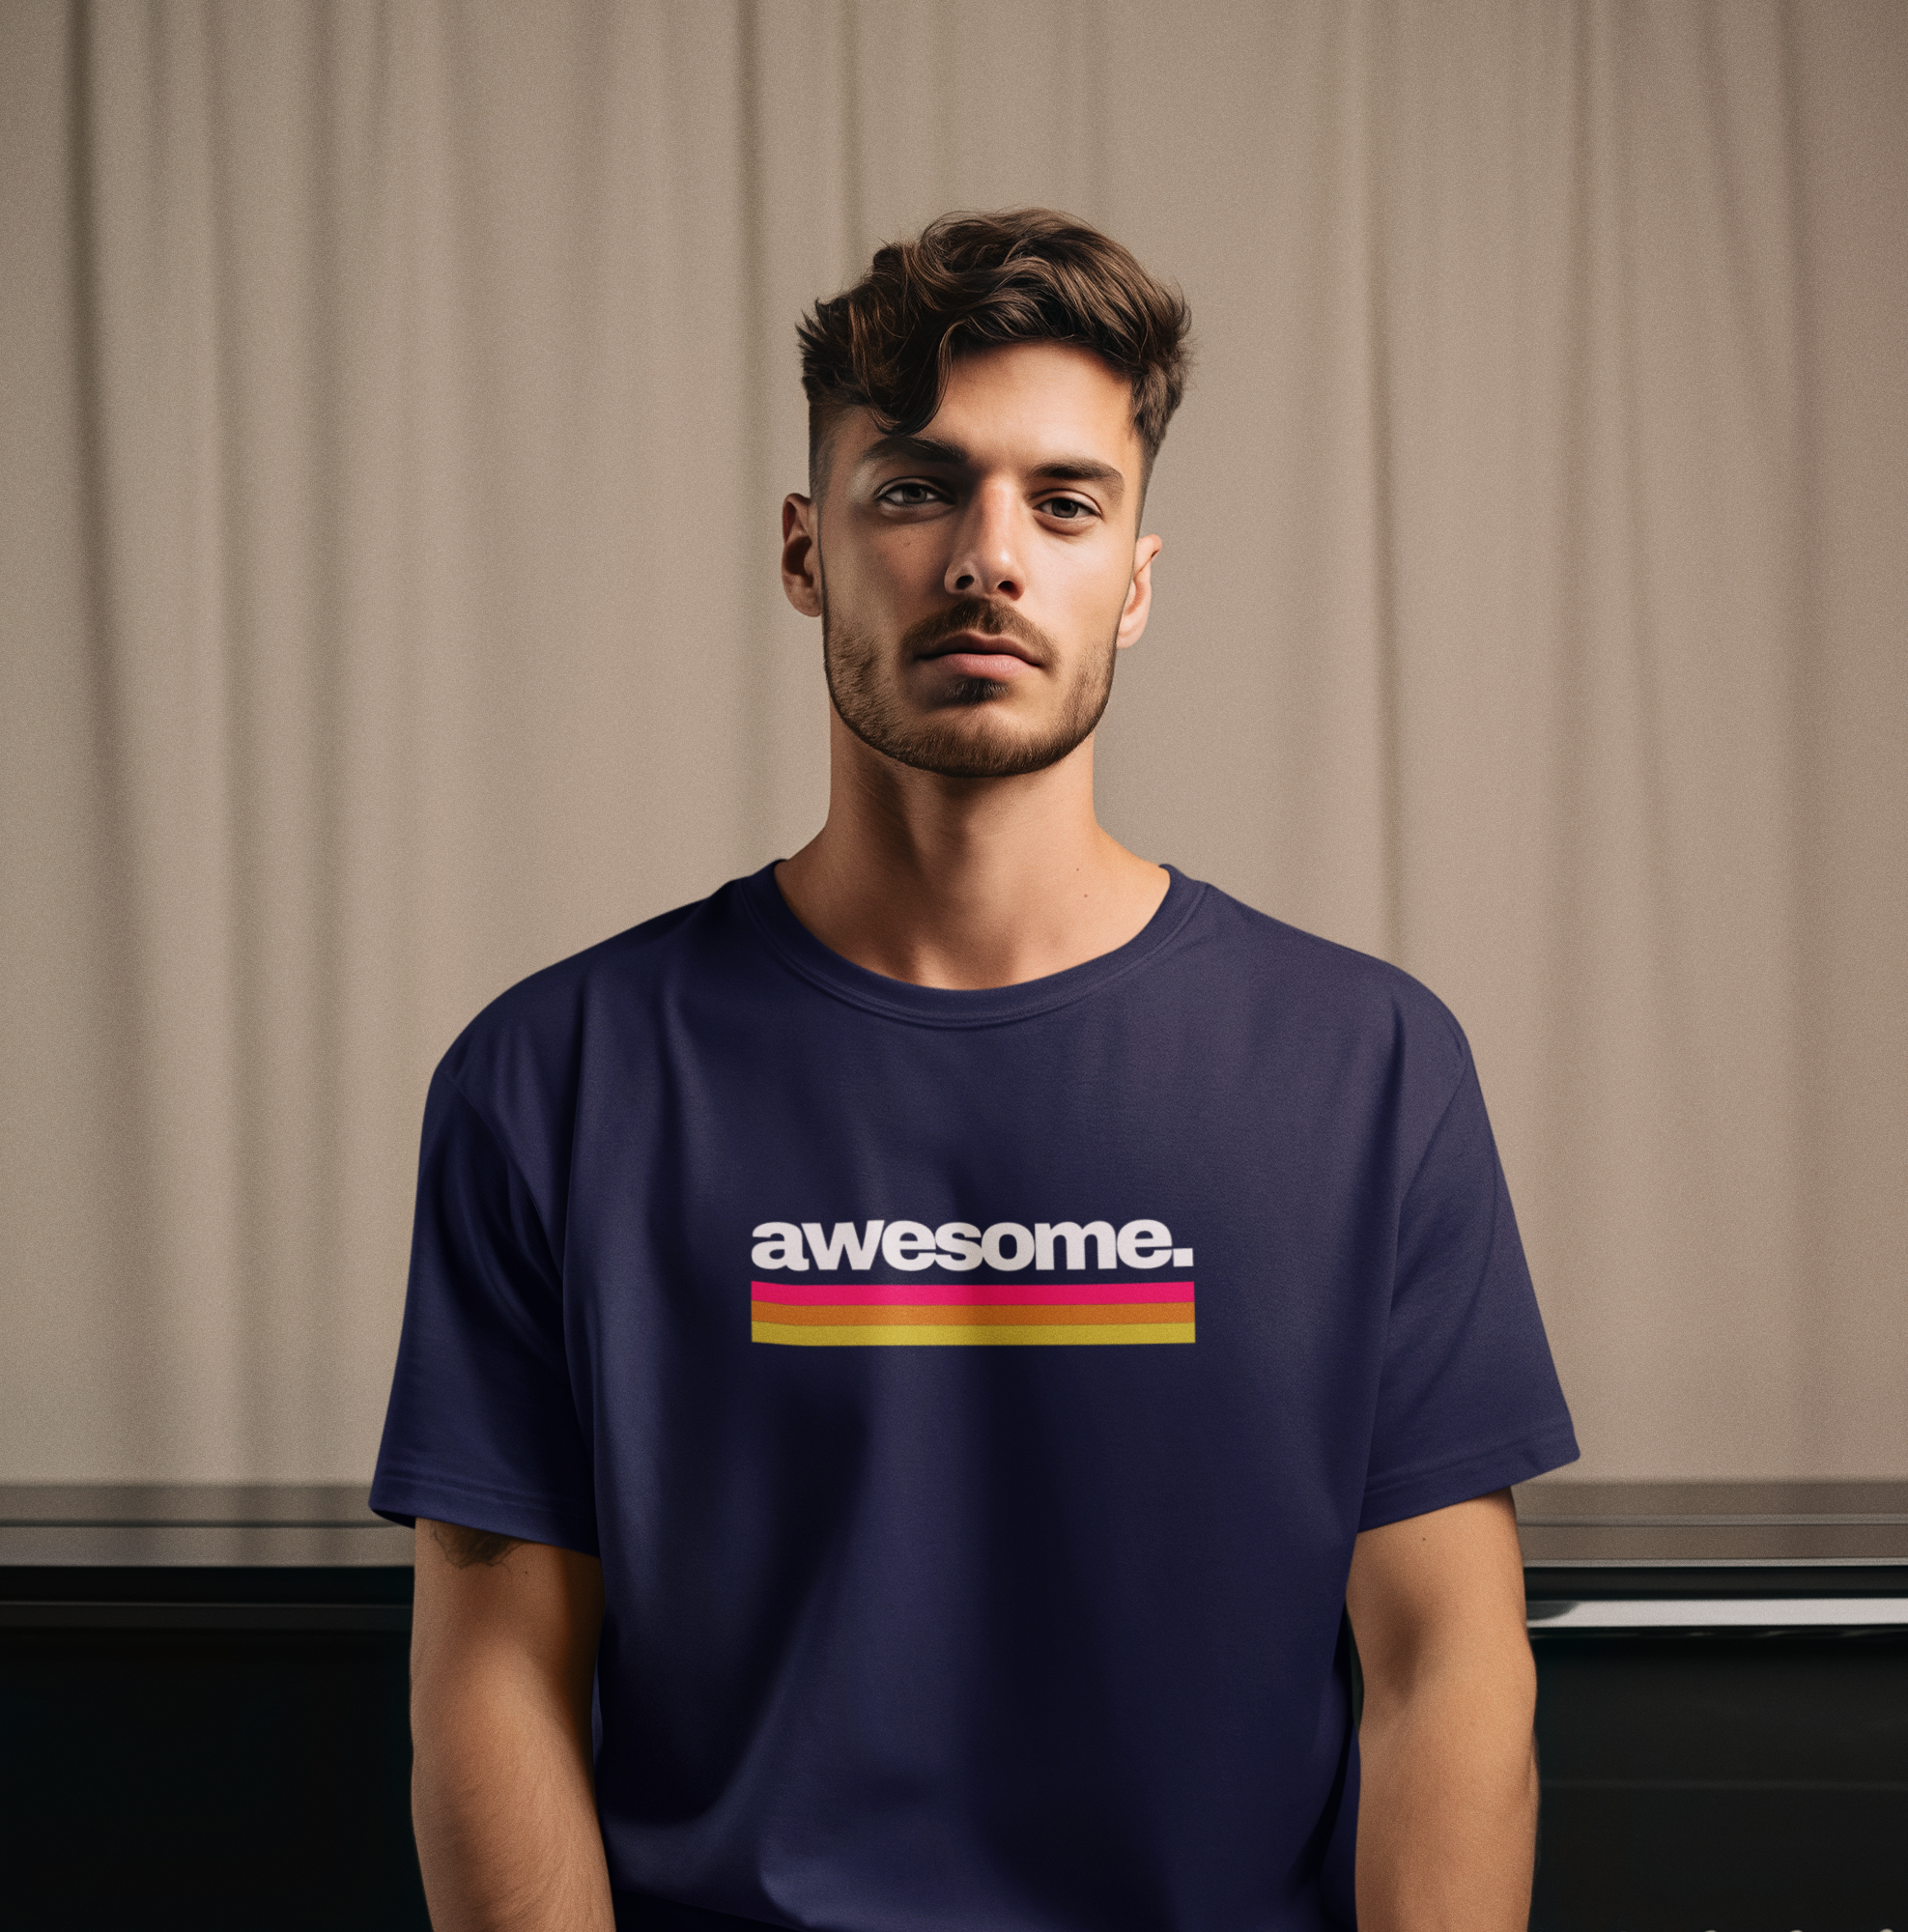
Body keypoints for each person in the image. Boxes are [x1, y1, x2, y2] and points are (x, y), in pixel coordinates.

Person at [373, 208, 1578, 1932]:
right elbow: (493, 1684)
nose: (987, 558)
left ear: (1137, 582)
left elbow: (1446, 1667)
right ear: (808, 549)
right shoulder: (550, 1079)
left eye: (1064, 503)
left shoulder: (1369, 1067)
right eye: (917, 486)